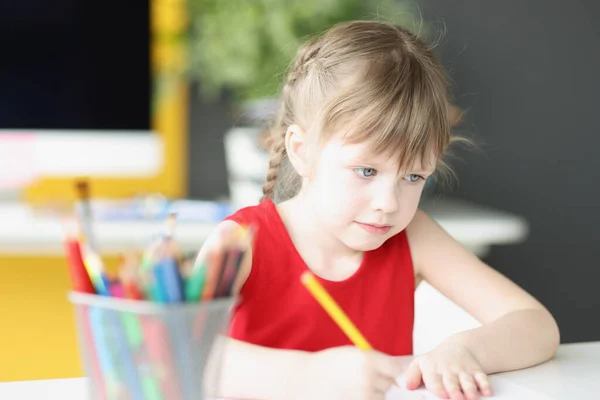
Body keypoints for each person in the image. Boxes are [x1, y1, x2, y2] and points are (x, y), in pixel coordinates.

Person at [199, 20, 560, 400]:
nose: (388, 203)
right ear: (302, 151)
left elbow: (536, 325)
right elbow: (176, 352)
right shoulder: (240, 242)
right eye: (366, 170)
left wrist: (467, 349)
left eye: (414, 177)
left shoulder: (413, 236)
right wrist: (306, 376)